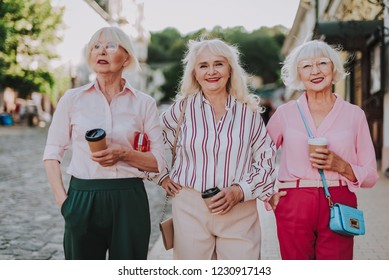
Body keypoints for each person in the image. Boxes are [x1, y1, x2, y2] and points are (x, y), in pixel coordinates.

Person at [43, 27, 166, 260]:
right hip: (82, 196)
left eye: (110, 46)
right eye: (95, 47)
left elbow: (158, 162)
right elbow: (51, 153)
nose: (102, 52)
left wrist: (123, 154)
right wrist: (64, 203)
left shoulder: (144, 104)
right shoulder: (72, 99)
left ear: (126, 57)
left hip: (129, 198)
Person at [158, 38, 277, 260]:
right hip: (190, 209)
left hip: (240, 211)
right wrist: (161, 176)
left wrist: (240, 190)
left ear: (230, 69)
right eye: (203, 65)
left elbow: (266, 161)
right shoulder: (181, 109)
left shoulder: (248, 113)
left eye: (219, 64)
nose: (211, 71)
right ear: (194, 72)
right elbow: (152, 141)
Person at [266, 40, 379, 260]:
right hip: (293, 200)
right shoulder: (285, 113)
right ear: (298, 73)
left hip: (339, 199)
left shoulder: (354, 114)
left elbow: (371, 175)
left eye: (322, 63)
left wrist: (342, 166)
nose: (315, 71)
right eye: (306, 66)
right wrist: (267, 193)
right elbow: (259, 157)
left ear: (333, 68)